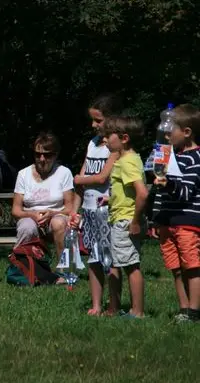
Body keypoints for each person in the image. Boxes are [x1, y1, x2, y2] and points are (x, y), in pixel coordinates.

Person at [71, 93, 123, 316]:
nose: (93, 125)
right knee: (93, 257)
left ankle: (114, 305)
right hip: (90, 210)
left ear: (111, 119)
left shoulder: (116, 146)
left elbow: (102, 177)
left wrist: (79, 179)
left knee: (111, 260)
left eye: (98, 120)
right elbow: (82, 179)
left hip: (108, 210)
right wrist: (74, 211)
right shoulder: (92, 144)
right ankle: (96, 304)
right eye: (92, 120)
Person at [152, 104, 200, 323]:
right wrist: (156, 218)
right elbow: (159, 192)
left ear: (187, 132)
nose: (167, 132)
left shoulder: (196, 158)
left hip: (187, 222)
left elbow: (186, 192)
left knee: (192, 266)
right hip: (168, 221)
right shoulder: (170, 155)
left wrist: (168, 182)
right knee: (175, 267)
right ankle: (183, 308)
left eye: (172, 129)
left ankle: (194, 311)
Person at [103, 115, 148, 318]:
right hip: (122, 217)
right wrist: (111, 200)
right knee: (121, 263)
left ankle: (137, 311)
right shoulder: (129, 159)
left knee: (131, 266)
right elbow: (128, 192)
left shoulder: (127, 162)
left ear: (124, 138)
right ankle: (122, 308)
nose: (104, 140)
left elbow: (142, 193)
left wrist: (135, 221)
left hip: (126, 221)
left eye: (108, 136)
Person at [12, 133, 74, 266]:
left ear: (56, 155)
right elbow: (16, 210)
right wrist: (32, 215)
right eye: (37, 154)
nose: (42, 159)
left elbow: (70, 208)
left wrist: (52, 213)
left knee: (59, 223)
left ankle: (65, 269)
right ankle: (23, 267)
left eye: (47, 155)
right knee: (26, 227)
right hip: (31, 216)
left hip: (56, 216)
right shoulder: (23, 174)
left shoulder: (64, 173)